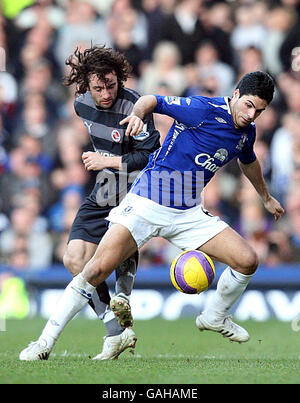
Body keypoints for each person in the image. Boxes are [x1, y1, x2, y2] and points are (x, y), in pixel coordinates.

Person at [20, 71, 284, 361]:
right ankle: (43, 343)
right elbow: (151, 100)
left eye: (259, 110)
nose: (251, 114)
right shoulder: (202, 109)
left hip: (188, 213)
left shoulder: (247, 132)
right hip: (147, 201)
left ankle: (215, 317)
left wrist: (266, 197)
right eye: (248, 105)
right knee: (94, 271)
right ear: (235, 94)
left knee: (248, 260)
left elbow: (249, 161)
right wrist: (135, 115)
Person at [20, 45, 160, 361]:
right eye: (98, 87)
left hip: (137, 191)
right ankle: (116, 331)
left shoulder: (136, 106)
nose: (106, 93)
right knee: (74, 259)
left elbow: (148, 158)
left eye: (111, 85)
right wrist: (104, 164)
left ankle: (123, 289)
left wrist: (106, 160)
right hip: (105, 189)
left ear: (119, 79)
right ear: (86, 85)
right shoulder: (81, 105)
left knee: (109, 255)